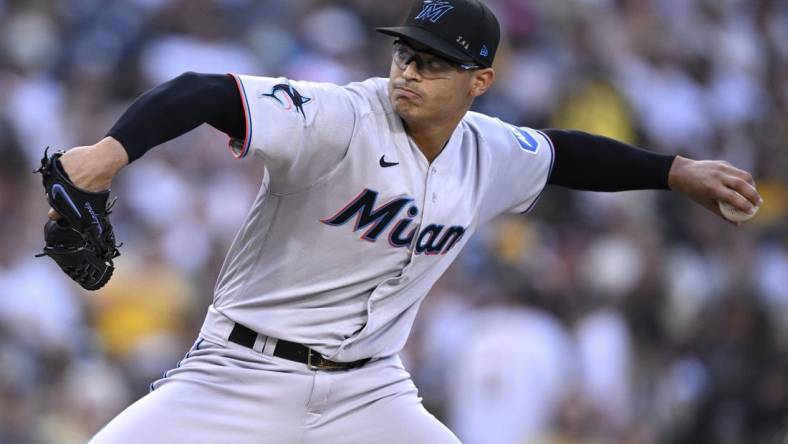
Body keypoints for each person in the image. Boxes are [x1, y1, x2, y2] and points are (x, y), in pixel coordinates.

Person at [48, 1, 761, 442]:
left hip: (370, 391)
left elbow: (566, 155)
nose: (410, 72)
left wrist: (673, 172)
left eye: (435, 63)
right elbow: (203, 92)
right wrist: (110, 153)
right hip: (240, 371)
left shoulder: (491, 151)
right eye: (406, 53)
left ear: (479, 82)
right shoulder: (340, 117)